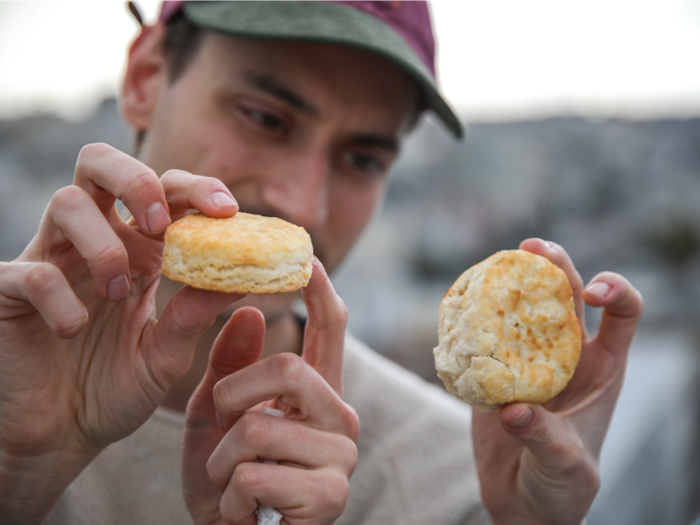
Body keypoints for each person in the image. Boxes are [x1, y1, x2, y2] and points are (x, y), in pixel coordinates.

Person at [0, 1, 643, 524]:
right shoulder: (9, 383)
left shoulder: (459, 481)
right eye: (264, 117)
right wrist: (14, 470)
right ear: (145, 78)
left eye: (363, 159)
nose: (303, 204)